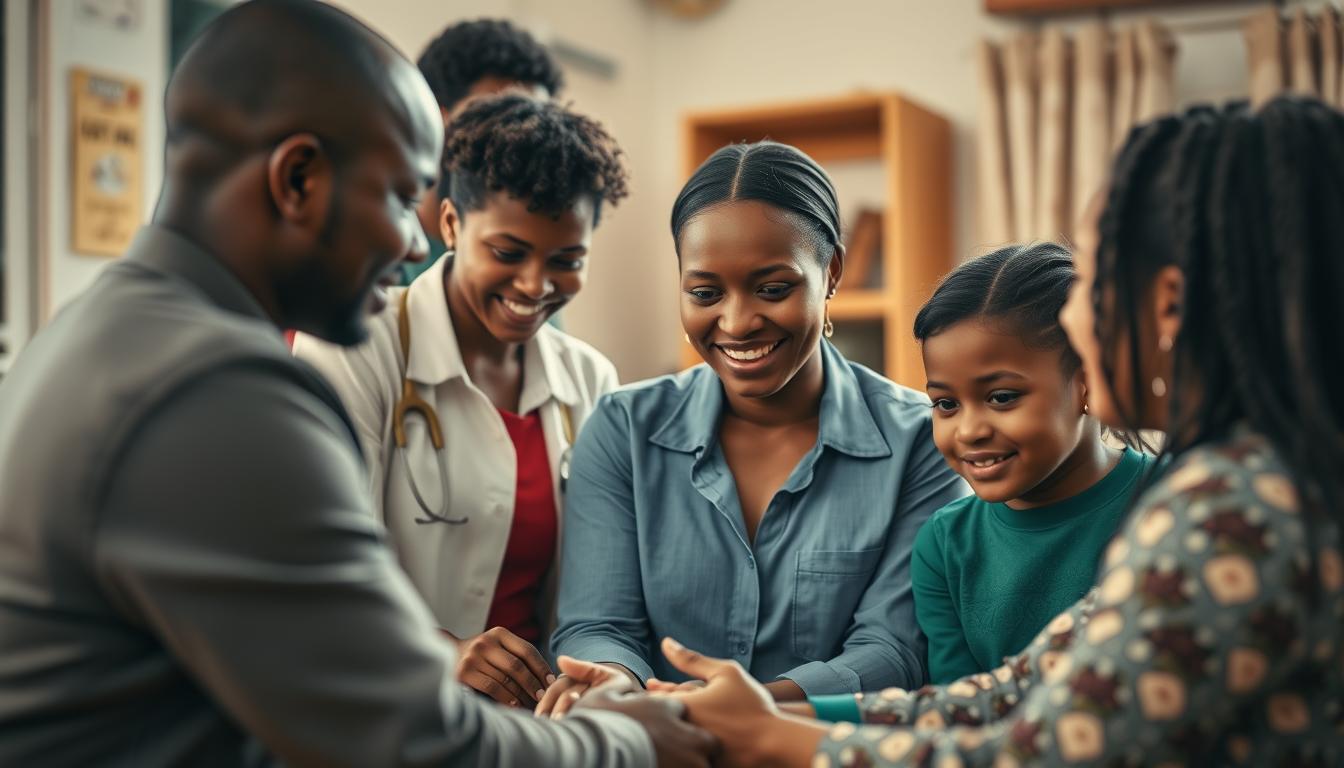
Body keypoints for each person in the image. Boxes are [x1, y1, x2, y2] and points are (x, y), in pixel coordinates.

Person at [0, 2, 713, 765]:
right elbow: (407, 734)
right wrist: (625, 743)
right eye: (402, 197)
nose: (411, 240)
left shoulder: (102, 333)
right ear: (298, 178)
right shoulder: (213, 392)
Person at [647, 97, 1344, 766]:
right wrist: (770, 718)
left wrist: (773, 739)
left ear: (1165, 306)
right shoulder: (1252, 480)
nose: (1074, 323)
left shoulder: (1235, 510)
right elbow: (1016, 691)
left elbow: (1038, 755)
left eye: (1092, 284)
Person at [541, 141, 969, 716]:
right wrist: (612, 681)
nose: (738, 322)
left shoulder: (921, 441)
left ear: (832, 272)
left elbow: (892, 649)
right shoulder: (622, 430)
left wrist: (748, 707)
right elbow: (599, 624)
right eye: (704, 293)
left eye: (773, 289)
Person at [293, 93, 628, 710]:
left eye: (566, 261)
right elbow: (316, 570)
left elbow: (599, 592)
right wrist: (439, 651)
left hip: (531, 721)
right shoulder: (356, 347)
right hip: (384, 706)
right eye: (507, 253)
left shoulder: (591, 380)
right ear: (450, 224)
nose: (535, 285)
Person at [905, 242, 1151, 684]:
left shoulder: (1170, 498)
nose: (968, 430)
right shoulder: (944, 546)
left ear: (1088, 383)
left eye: (1001, 397)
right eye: (945, 403)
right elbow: (957, 708)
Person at [405, 18, 564, 284]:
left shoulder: (536, 277)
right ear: (434, 119)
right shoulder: (384, 263)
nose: (519, 143)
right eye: (495, 120)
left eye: (538, 127)